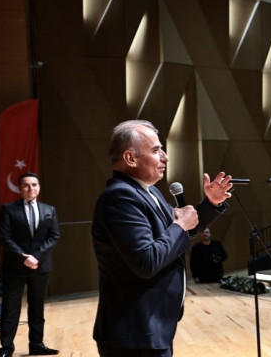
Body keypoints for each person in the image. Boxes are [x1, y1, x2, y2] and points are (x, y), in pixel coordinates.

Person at [92, 120, 232, 357]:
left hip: (152, 327)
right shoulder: (120, 198)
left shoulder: (148, 191)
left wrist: (210, 204)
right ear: (131, 158)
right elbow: (147, 261)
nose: (165, 157)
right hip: (133, 334)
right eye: (156, 150)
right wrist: (179, 224)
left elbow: (177, 236)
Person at [0, 173, 61, 357]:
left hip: (39, 266)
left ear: (39, 187)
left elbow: (54, 236)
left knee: (37, 307)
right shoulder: (8, 210)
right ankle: (6, 349)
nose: (30, 188)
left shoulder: (49, 210)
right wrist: (22, 256)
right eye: (26, 185)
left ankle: (37, 344)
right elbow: (4, 237)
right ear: (19, 188)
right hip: (14, 267)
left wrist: (36, 257)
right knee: (10, 308)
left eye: (34, 185)